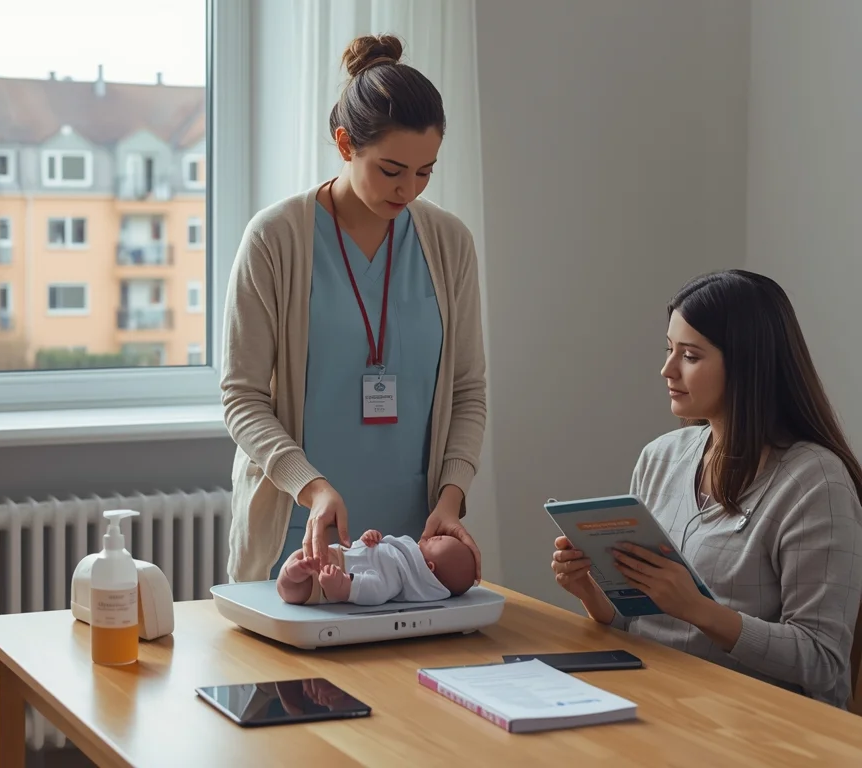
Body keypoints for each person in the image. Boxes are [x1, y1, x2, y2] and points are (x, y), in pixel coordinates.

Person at [221, 33, 487, 585]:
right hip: (299, 539)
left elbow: (467, 392)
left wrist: (453, 494)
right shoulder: (275, 239)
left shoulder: (449, 242)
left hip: (415, 551)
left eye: (425, 171)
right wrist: (311, 488)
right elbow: (242, 398)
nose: (408, 189)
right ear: (345, 144)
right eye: (391, 170)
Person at [551, 269, 862, 709]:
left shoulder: (816, 483)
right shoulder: (660, 458)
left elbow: (823, 660)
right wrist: (590, 591)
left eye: (691, 356)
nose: (666, 369)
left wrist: (699, 609)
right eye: (668, 349)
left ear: (747, 364)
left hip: (758, 723)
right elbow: (639, 626)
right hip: (658, 698)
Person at [276, 529, 476, 605]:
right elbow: (369, 552)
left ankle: (292, 575)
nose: (437, 535)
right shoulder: (402, 553)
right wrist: (368, 539)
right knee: (299, 559)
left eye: (439, 541)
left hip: (327, 584)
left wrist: (344, 585)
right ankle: (294, 569)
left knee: (293, 589)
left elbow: (375, 590)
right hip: (335, 554)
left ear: (429, 567)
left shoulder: (399, 578)